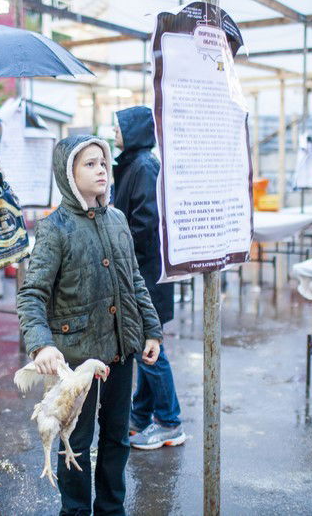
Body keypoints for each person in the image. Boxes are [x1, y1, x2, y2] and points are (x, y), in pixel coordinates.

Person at [17, 135, 162, 515]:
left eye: (104, 162)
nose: (102, 169)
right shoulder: (55, 228)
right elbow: (32, 293)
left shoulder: (117, 220)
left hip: (119, 350)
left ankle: (112, 508)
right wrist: (40, 344)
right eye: (90, 164)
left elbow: (135, 280)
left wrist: (151, 329)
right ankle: (76, 510)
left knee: (117, 436)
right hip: (75, 359)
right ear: (68, 174)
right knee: (75, 441)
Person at [112, 106, 186, 450]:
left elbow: (145, 222)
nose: (114, 131)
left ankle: (170, 422)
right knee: (145, 343)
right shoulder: (134, 163)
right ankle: (140, 417)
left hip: (144, 273)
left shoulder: (142, 166)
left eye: (119, 126)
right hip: (142, 271)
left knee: (149, 347)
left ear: (134, 130)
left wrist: (122, 256)